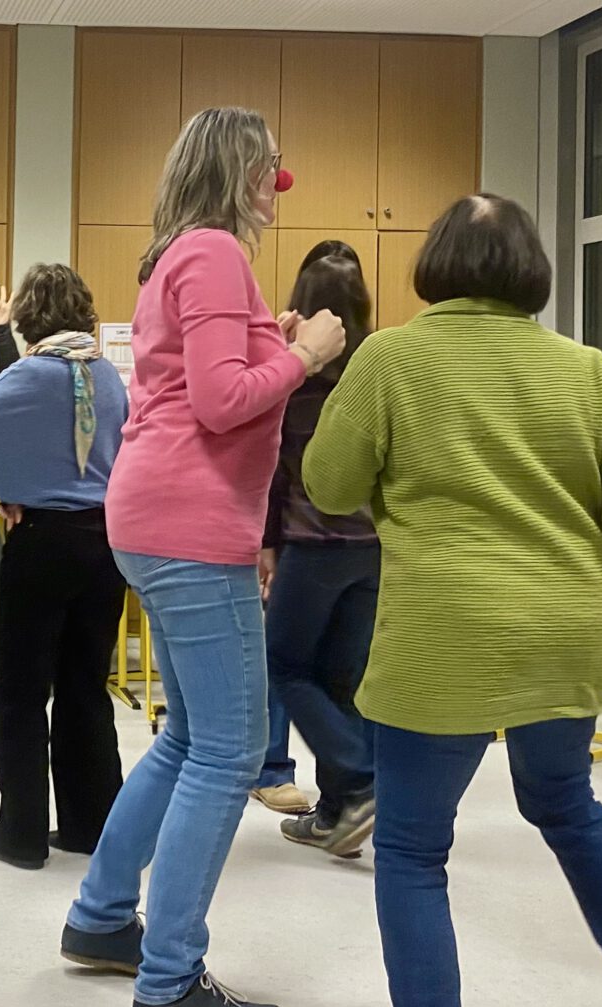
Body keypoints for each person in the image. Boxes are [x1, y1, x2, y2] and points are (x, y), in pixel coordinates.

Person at [303, 193, 602, 1007]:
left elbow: (330, 484)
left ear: (434, 265)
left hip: (444, 631)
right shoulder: (589, 370)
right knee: (565, 805)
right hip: (564, 628)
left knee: (411, 847)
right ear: (531, 270)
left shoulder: (391, 355)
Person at [58, 106, 345, 1007]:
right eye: (272, 164)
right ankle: (170, 977)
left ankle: (103, 919)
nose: (280, 179)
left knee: (188, 737)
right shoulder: (216, 252)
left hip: (155, 510)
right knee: (227, 748)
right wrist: (303, 356)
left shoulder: (180, 252)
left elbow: (200, 376)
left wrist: (276, 337)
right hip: (194, 520)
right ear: (241, 169)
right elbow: (223, 403)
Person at [0, 263, 129, 869]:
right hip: (104, 543)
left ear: (27, 318)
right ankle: (91, 826)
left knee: (22, 691)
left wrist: (8, 487)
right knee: (87, 688)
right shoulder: (109, 376)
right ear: (83, 312)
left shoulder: (32, 372)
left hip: (43, 539)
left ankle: (21, 834)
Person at [266, 248, 380, 859]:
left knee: (282, 665)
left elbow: (272, 471)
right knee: (342, 681)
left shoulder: (296, 375)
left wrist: (265, 543)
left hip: (312, 543)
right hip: (373, 548)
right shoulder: (380, 367)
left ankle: (360, 782)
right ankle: (339, 813)